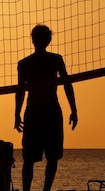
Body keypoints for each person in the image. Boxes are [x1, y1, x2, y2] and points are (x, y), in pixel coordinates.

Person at [14, 24, 78, 191]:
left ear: (33, 40)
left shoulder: (25, 63)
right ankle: (45, 190)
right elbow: (67, 85)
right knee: (50, 157)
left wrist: (17, 114)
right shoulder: (54, 60)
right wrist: (74, 110)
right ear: (48, 40)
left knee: (32, 158)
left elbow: (20, 92)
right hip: (48, 111)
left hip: (36, 111)